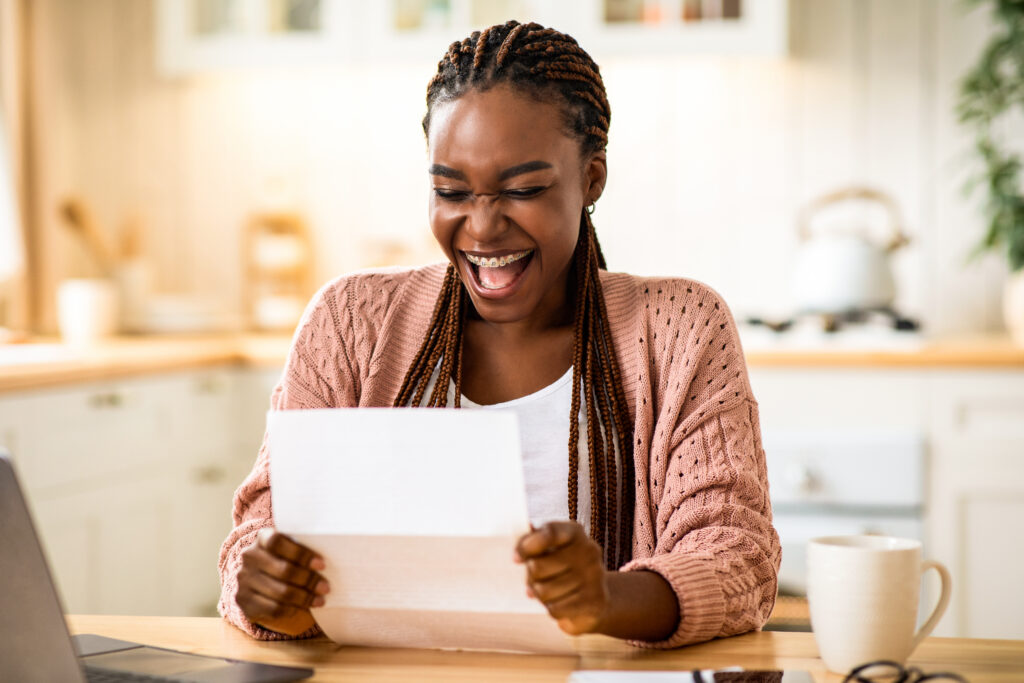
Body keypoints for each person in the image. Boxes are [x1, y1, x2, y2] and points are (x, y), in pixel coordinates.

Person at [218, 20, 780, 648]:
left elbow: (737, 556)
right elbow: (260, 531)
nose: (481, 229)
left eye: (522, 189)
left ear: (592, 178)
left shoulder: (679, 328)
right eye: (450, 191)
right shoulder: (350, 321)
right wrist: (272, 595)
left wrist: (607, 597)